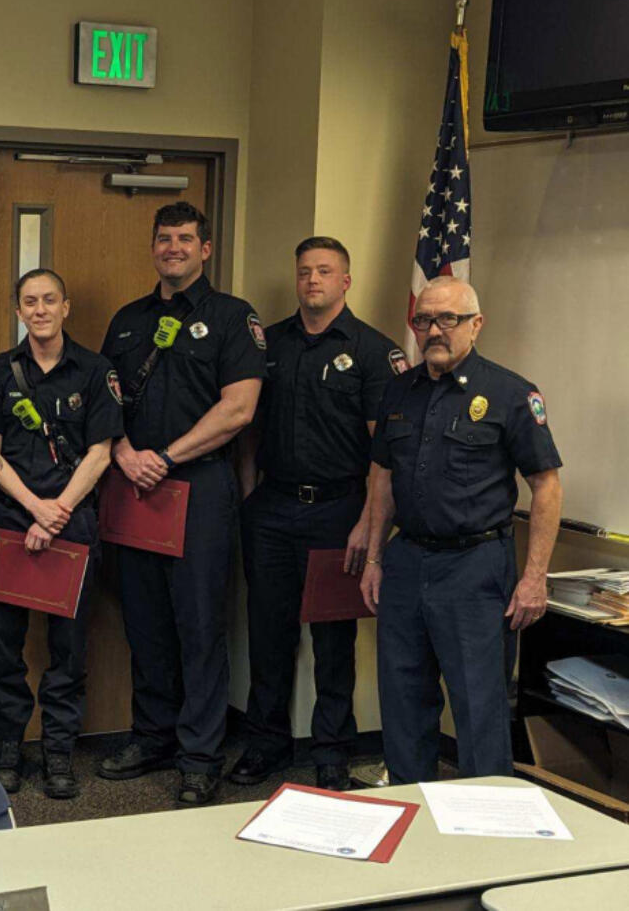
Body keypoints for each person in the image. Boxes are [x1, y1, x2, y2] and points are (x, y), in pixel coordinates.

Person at [360, 277, 562, 783]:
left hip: (476, 569)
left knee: (479, 709)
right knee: (403, 701)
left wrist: (535, 577)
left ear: (476, 324)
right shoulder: (399, 390)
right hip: (407, 561)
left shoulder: (511, 393)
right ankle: (411, 812)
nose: (433, 330)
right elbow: (382, 477)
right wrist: (374, 557)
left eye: (446, 319)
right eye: (423, 320)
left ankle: (485, 833)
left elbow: (546, 485)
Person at [98, 202, 265, 805]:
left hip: (198, 488)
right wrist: (123, 455)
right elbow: (103, 403)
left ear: (206, 248)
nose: (174, 247)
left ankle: (200, 754)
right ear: (153, 247)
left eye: (186, 238)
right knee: (144, 621)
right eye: (164, 238)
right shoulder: (126, 320)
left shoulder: (231, 318)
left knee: (199, 625)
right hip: (134, 487)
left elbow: (239, 408)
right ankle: (153, 736)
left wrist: (165, 456)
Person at [233, 237, 403, 791]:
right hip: (274, 508)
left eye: (325, 271)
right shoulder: (270, 344)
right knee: (268, 634)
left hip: (339, 512)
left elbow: (385, 455)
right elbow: (250, 431)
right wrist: (249, 495)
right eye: (304, 271)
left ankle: (331, 750)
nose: (313, 281)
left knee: (334, 641)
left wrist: (368, 525)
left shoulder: (373, 351)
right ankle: (266, 743)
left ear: (345, 281)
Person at [0, 268, 123, 798]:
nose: (39, 310)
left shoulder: (95, 369)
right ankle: (10, 750)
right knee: (3, 648)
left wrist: (57, 509)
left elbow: (102, 451)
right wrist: (33, 507)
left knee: (68, 650)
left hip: (72, 521)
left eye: (49, 300)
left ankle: (58, 752)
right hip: (12, 518)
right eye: (29, 302)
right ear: (18, 311)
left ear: (67, 306)